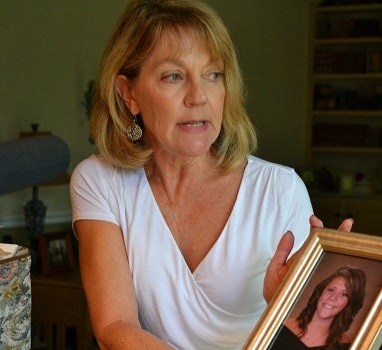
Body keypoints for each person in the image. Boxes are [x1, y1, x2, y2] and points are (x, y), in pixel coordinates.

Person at [69, 0, 353, 349]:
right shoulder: (100, 181)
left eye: (213, 75)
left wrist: (285, 308)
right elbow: (114, 326)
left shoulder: (280, 189)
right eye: (174, 76)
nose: (199, 96)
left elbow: (311, 337)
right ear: (129, 94)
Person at [271, 266, 367, 350]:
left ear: (349, 303)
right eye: (331, 290)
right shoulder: (282, 327)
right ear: (320, 292)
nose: (333, 297)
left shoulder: (344, 346)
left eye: (344, 294)